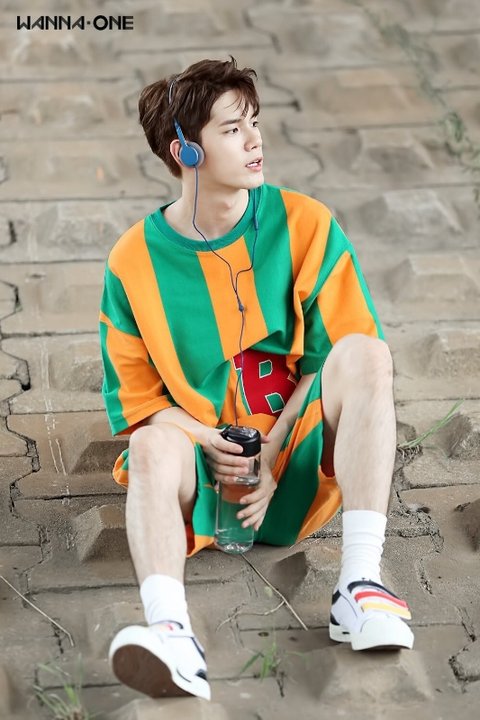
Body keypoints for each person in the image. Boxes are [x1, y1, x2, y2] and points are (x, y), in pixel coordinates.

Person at [99, 56, 414, 702]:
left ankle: (361, 584)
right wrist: (205, 439)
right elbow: (139, 402)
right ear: (185, 151)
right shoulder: (132, 260)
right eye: (232, 128)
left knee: (368, 355)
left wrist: (270, 456)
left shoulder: (305, 223)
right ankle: (171, 633)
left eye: (255, 122)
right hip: (202, 476)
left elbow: (331, 360)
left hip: (297, 460)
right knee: (150, 443)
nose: (255, 139)